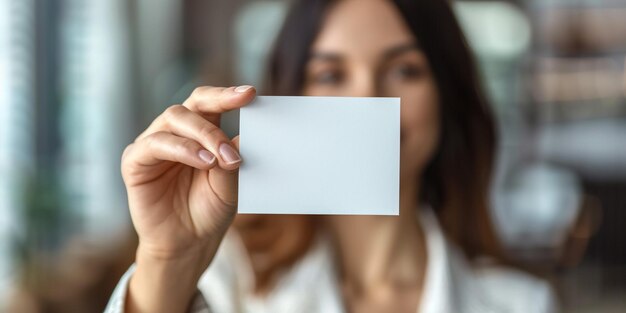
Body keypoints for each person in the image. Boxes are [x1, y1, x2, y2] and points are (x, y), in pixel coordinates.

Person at [106, 0, 557, 312]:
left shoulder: (522, 305)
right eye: (331, 73)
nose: (366, 99)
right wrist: (168, 260)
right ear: (292, 97)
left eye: (405, 70)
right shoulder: (220, 283)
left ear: (448, 95)